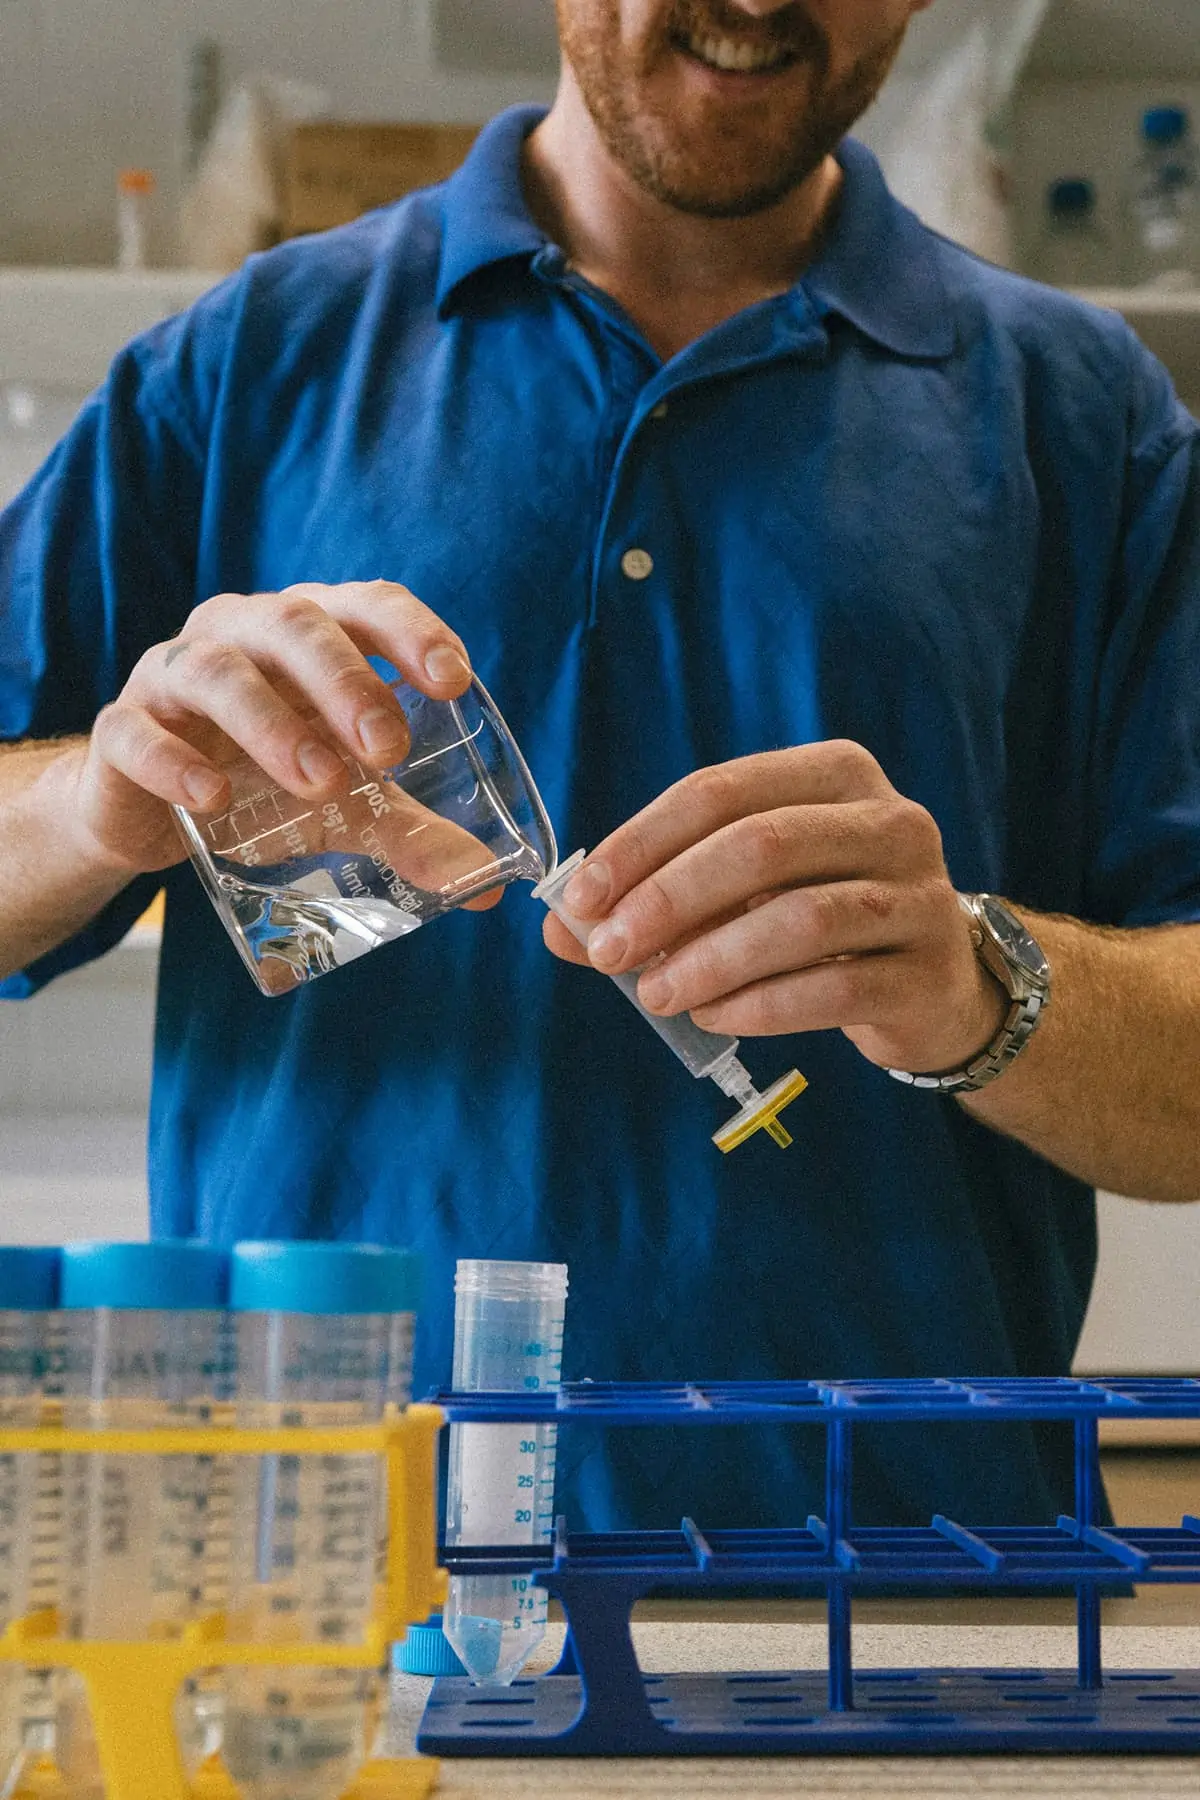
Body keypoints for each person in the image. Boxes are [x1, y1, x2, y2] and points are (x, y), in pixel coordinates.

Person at [1, 0, 1198, 1533]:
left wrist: (973, 984)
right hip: (331, 1583)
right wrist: (98, 800)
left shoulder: (1085, 424)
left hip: (888, 1581)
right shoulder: (248, 367)